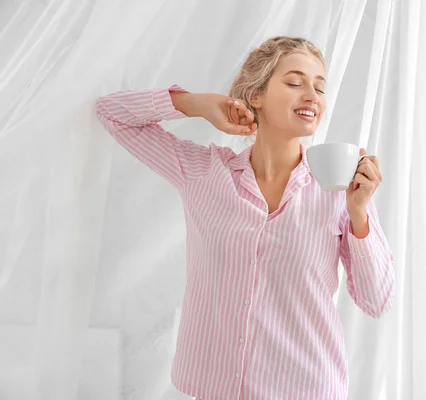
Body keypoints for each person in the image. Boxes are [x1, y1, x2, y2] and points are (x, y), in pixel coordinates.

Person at [95, 36, 395, 400]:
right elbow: (111, 113)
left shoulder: (341, 191)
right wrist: (196, 103)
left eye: (319, 86)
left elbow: (376, 301)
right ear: (257, 96)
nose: (312, 96)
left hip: (305, 389)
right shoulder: (205, 172)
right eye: (295, 82)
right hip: (211, 387)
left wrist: (359, 212)